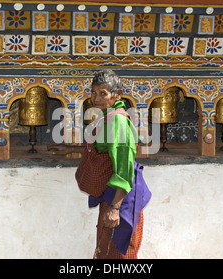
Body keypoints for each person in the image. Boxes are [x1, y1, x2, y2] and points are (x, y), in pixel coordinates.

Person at [48, 69, 151, 259]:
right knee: (105, 251)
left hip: (122, 198)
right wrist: (71, 149)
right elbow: (101, 148)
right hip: (110, 195)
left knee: (120, 253)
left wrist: (115, 209)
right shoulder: (108, 116)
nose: (96, 98)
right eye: (94, 93)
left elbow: (123, 169)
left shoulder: (119, 121)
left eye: (103, 93)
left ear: (117, 95)